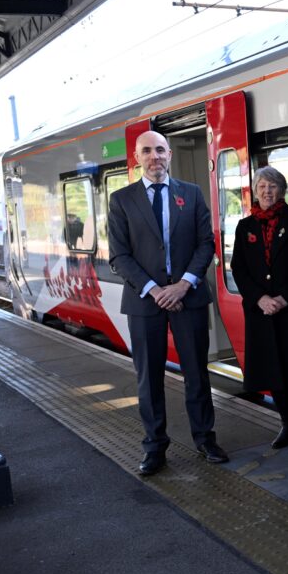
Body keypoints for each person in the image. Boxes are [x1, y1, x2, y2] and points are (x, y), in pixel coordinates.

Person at [107, 130, 228, 475]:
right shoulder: (122, 200)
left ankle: (205, 439)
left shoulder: (190, 194)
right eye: (147, 151)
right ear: (137, 157)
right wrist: (156, 290)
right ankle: (155, 446)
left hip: (187, 299)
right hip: (145, 303)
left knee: (197, 374)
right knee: (149, 378)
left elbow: (206, 243)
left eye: (160, 150)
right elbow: (119, 255)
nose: (154, 156)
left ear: (170, 154)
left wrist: (183, 285)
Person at [231, 166, 288, 450]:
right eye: (262, 187)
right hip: (261, 312)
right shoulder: (244, 227)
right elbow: (238, 268)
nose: (267, 191)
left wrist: (284, 298)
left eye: (272, 186)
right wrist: (260, 298)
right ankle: (287, 424)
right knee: (273, 370)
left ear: (281, 190)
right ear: (255, 192)